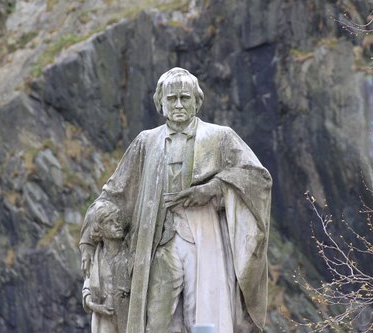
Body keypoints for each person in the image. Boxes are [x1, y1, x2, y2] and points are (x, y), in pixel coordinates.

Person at [80, 67, 272, 333]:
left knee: (205, 317)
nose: (179, 104)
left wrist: (213, 188)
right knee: (157, 321)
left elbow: (257, 178)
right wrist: (90, 237)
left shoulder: (220, 137)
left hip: (205, 238)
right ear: (161, 104)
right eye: (172, 99)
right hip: (158, 244)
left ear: (197, 101)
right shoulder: (145, 143)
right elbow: (115, 194)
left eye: (185, 97)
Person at [82, 200, 130, 333]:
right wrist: (95, 307)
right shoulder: (95, 258)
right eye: (110, 222)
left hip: (127, 318)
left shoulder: (129, 255)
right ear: (100, 230)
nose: (117, 225)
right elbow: (86, 289)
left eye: (117, 220)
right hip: (103, 321)